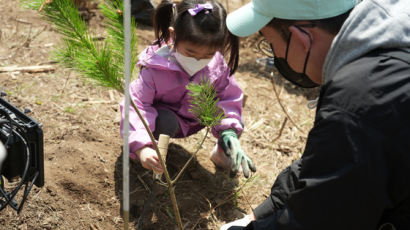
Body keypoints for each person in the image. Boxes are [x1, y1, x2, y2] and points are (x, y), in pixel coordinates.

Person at [221, 0, 410, 229]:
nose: (275, 55)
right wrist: (264, 211)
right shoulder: (389, 41)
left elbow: (317, 219)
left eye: (271, 44)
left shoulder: (361, 99)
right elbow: (335, 162)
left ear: (302, 39)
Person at [120, 0, 256, 178]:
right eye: (190, 53)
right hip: (168, 122)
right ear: (173, 35)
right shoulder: (155, 66)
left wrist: (229, 134)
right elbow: (137, 105)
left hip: (198, 117)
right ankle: (150, 153)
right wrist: (141, 148)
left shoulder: (217, 66)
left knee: (234, 120)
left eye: (208, 55)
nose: (198, 61)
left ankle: (222, 153)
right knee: (165, 120)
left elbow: (228, 99)